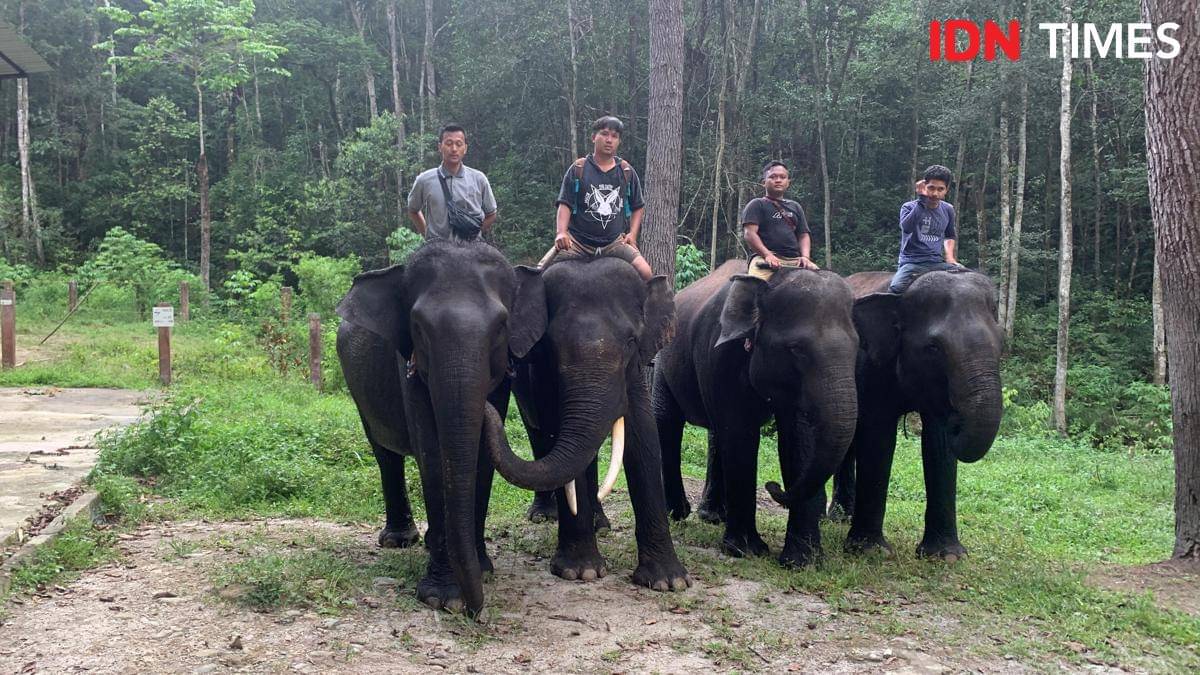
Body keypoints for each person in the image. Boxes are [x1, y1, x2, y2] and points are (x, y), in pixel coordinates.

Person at [546, 116, 653, 280]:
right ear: (594, 137)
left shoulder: (626, 171)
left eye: (614, 136)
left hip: (614, 243)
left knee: (646, 272)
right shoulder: (578, 169)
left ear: (619, 141)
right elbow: (564, 203)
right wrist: (561, 233)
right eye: (604, 134)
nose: (609, 140)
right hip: (578, 243)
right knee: (541, 273)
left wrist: (632, 234)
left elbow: (637, 206)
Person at [407, 124, 497, 241]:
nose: (454, 149)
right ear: (440, 147)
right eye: (449, 143)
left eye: (459, 144)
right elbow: (413, 210)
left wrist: (474, 234)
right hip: (438, 252)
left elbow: (491, 213)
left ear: (465, 148)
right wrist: (427, 235)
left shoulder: (479, 179)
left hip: (471, 251)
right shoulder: (424, 180)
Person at [888, 164, 963, 294]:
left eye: (940, 189)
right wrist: (922, 201)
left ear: (946, 190)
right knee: (895, 288)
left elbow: (949, 235)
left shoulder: (948, 209)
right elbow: (907, 228)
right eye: (931, 188)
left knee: (971, 279)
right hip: (911, 263)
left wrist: (950, 258)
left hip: (936, 262)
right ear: (923, 186)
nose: (935, 193)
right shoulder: (908, 207)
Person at [741, 161, 819, 281]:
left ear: (788, 183)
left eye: (782, 177)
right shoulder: (756, 204)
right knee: (752, 289)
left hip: (795, 261)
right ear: (763, 183)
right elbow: (749, 233)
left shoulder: (795, 206)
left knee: (824, 285)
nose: (778, 180)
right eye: (773, 177)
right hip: (765, 259)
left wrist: (805, 257)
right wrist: (767, 255)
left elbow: (803, 235)